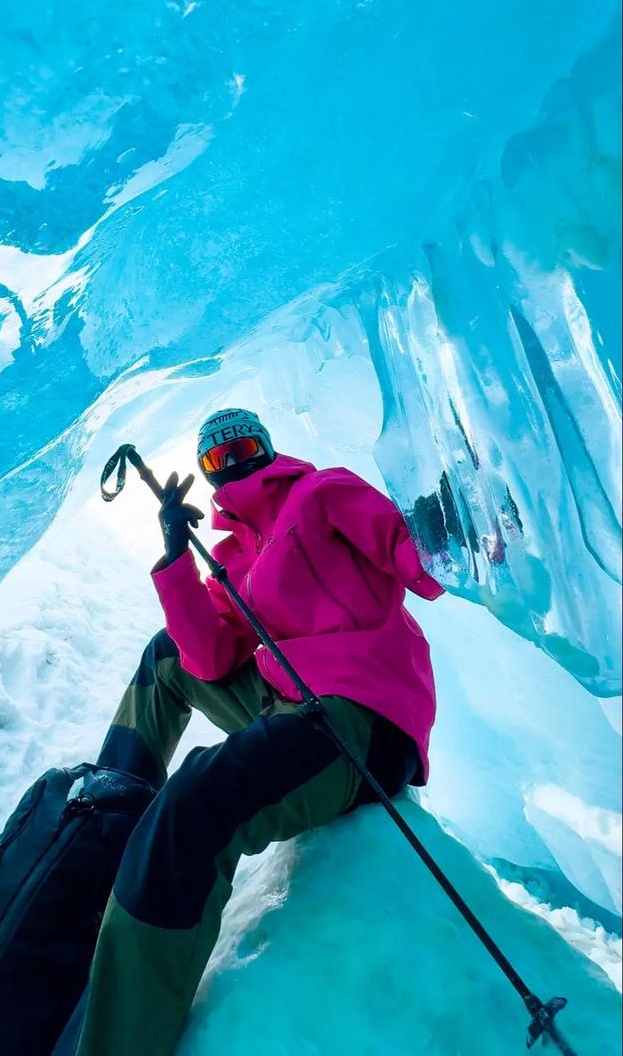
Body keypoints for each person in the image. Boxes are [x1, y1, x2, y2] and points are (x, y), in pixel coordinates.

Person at [76, 408, 444, 1055]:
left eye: (242, 446)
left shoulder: (321, 492)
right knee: (167, 655)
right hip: (292, 708)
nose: (232, 464)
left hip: (361, 715)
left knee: (195, 802)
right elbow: (209, 658)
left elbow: (406, 547)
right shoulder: (231, 555)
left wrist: (456, 521)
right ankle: (101, 825)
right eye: (215, 460)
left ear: (266, 447)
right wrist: (175, 559)